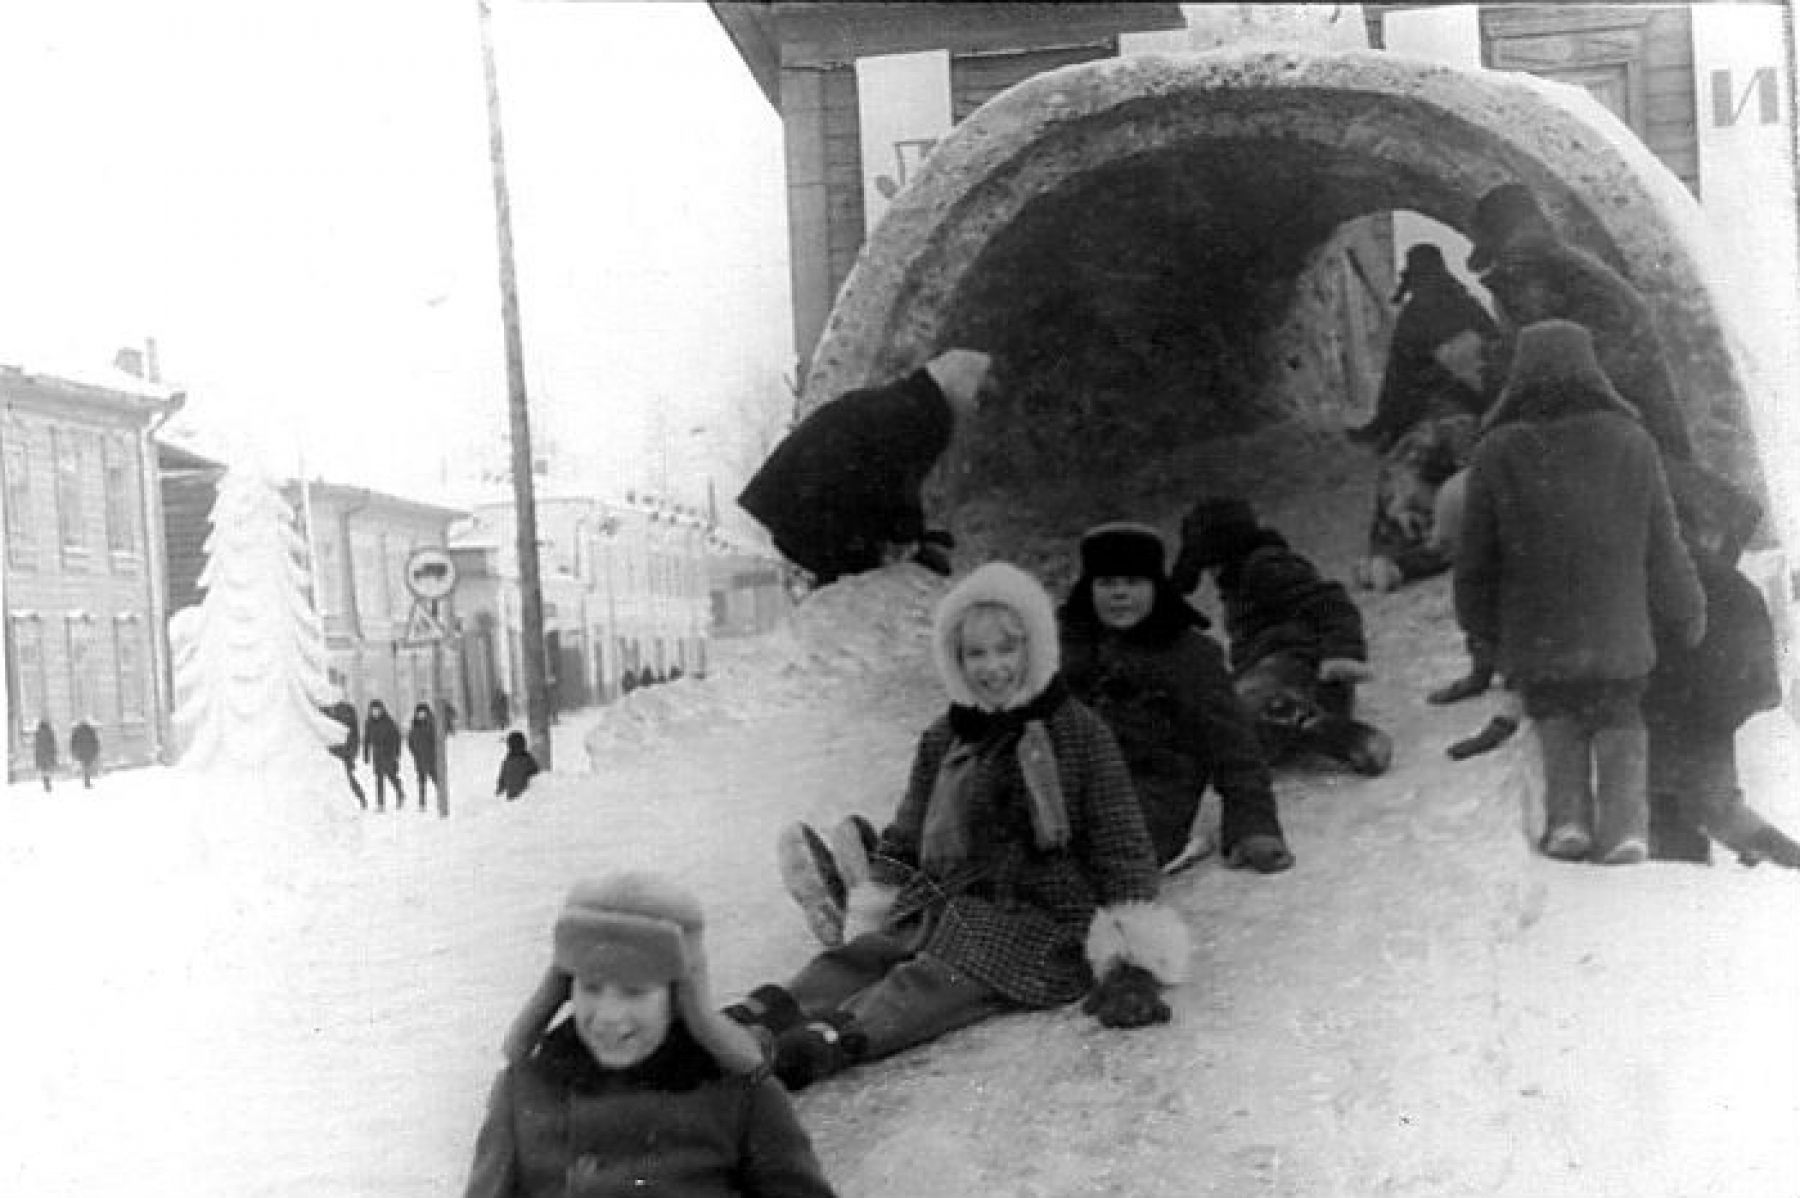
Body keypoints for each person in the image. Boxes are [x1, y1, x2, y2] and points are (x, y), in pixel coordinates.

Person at [740, 562, 1189, 1091]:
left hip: (1040, 921)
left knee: (938, 973)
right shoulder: (946, 737)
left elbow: (1122, 846)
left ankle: (834, 1037)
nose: (993, 668)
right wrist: (879, 896)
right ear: (955, 660)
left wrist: (1130, 960)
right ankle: (768, 1013)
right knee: (876, 951)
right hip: (947, 899)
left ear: (1036, 649)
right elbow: (909, 829)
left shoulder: (1078, 734)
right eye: (975, 654)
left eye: (1007, 649)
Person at [1455, 320, 1705, 865]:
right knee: (1621, 713)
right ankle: (1625, 828)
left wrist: (1479, 626)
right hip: (1617, 623)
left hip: (1536, 625)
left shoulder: (1497, 450)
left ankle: (1568, 820)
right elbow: (1664, 544)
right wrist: (1687, 610)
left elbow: (1474, 556)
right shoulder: (1630, 441)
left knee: (1556, 713)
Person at [469, 872, 838, 1198]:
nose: (609, 1016)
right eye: (591, 987)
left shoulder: (739, 1095)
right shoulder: (526, 1091)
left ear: (679, 996)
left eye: (635, 992)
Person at [1058, 521, 1293, 873]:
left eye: (1133, 582)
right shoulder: (1069, 649)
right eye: (1107, 583)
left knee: (1087, 857)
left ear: (1156, 587)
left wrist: (1253, 823)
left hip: (1152, 793)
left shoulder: (1189, 656)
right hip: (1073, 782)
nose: (1119, 594)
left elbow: (1235, 748)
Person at [1466, 183, 1695, 463]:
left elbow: (1551, 361)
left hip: (1616, 428)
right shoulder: (1569, 265)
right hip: (1644, 425)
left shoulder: (1530, 271)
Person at [1171, 497, 1393, 776]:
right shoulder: (1238, 579)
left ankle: (1351, 738)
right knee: (1220, 722)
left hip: (1302, 668)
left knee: (1241, 708)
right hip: (1273, 679)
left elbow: (1330, 603)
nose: (1212, 575)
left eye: (1210, 565)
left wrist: (1342, 654)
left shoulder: (1265, 567)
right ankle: (1284, 728)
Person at [737, 348, 992, 585]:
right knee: (851, 575)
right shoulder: (923, 417)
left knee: (844, 573)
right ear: (962, 388)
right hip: (815, 501)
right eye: (979, 396)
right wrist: (910, 538)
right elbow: (895, 477)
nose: (977, 408)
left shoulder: (909, 402)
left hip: (798, 496)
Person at [1644, 529, 1800, 869]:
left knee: (1664, 788)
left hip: (1681, 697)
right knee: (1714, 802)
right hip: (1722, 701)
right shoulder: (1729, 577)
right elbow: (1759, 655)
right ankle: (1780, 852)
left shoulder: (1663, 571)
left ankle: (1683, 862)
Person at [1349, 243, 1498, 452]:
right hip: (1470, 401)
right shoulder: (1466, 303)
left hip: (1439, 401)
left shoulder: (1419, 311)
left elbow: (1397, 376)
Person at [322, 699, 367, 807]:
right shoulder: (327, 706)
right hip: (333, 750)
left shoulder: (348, 709)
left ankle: (361, 798)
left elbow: (352, 731)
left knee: (348, 777)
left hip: (345, 751)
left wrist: (351, 753)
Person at [363, 699, 406, 812]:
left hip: (388, 753)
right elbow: (366, 739)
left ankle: (400, 793)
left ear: (382, 710)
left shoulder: (388, 722)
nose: (375, 712)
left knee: (391, 776)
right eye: (373, 710)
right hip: (377, 754)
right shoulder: (369, 723)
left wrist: (396, 753)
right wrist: (366, 754)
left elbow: (397, 738)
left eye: (377, 710)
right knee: (379, 779)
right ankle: (380, 804)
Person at [407, 703, 439, 813]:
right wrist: (415, 753)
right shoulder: (414, 726)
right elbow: (410, 741)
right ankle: (422, 804)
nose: (421, 715)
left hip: (431, 759)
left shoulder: (432, 725)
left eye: (423, 712)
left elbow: (437, 741)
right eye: (419, 713)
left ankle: (441, 800)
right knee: (421, 782)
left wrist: (434, 753)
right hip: (419, 759)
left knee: (436, 781)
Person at [496, 731, 541, 801]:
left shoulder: (508, 760)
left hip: (517, 798)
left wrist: (499, 792)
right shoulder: (527, 759)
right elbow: (537, 776)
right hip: (523, 799)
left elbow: (502, 780)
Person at [69, 720, 100, 788]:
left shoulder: (76, 732)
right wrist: (96, 751)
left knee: (85, 766)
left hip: (80, 752)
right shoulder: (91, 731)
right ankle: (87, 781)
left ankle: (86, 781)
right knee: (87, 766)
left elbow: (72, 743)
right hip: (89, 751)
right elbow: (95, 742)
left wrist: (73, 752)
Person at [33, 717, 57, 792]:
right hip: (48, 753)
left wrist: (36, 756)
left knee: (44, 769)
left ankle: (46, 784)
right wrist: (54, 753)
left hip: (40, 754)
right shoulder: (50, 732)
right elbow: (53, 743)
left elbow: (36, 745)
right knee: (48, 769)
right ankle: (48, 784)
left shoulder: (38, 733)